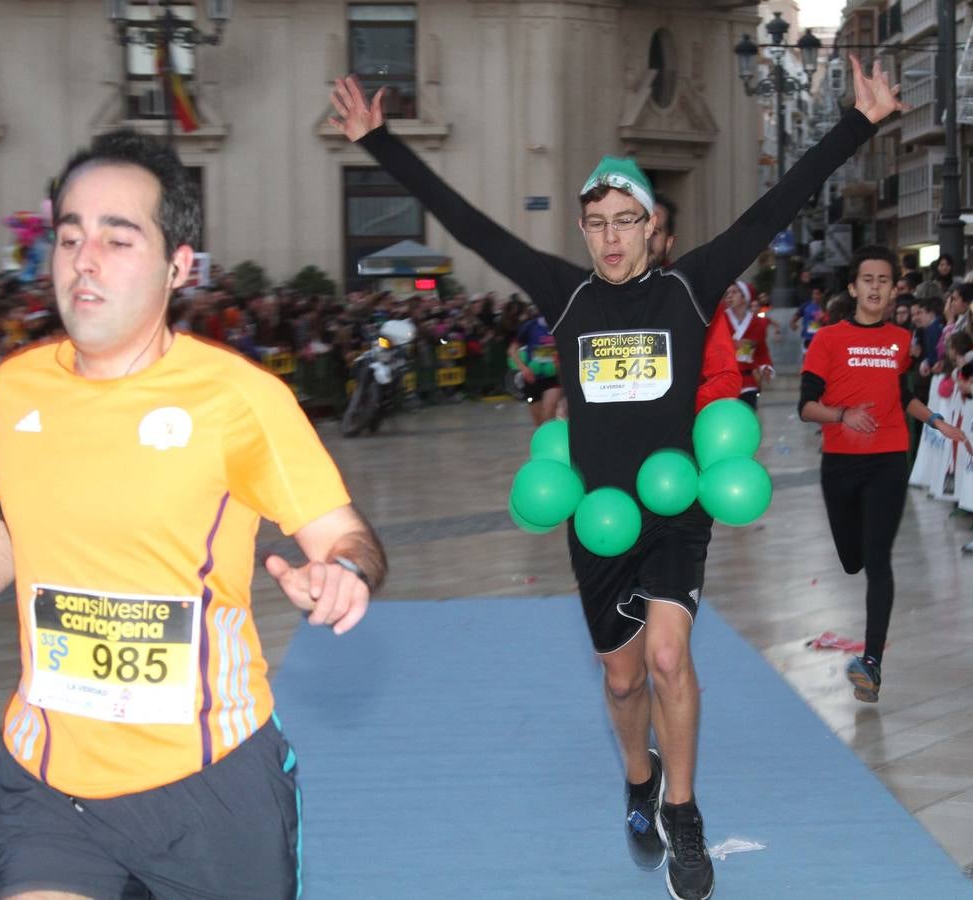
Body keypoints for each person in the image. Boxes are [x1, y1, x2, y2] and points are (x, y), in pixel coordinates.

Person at [330, 56, 907, 900]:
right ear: (584, 231)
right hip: (598, 516)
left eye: (624, 218)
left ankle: (683, 811)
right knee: (623, 676)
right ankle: (638, 779)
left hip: (675, 510)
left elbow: (773, 207)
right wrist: (379, 141)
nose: (608, 235)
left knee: (670, 660)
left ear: (650, 227)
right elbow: (470, 225)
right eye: (595, 220)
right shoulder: (564, 296)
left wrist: (858, 123)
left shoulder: (690, 287)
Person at [0, 129, 386, 898]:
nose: (85, 259)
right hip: (48, 779)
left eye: (117, 236)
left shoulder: (238, 398)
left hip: (208, 789)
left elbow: (345, 535)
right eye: (70, 236)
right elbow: (9, 530)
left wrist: (341, 573)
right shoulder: (12, 389)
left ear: (178, 266)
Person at [798, 246, 971, 703]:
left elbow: (903, 395)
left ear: (893, 288)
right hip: (839, 463)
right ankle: (869, 649)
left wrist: (937, 423)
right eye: (867, 279)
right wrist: (842, 416)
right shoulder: (827, 340)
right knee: (851, 559)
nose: (875, 287)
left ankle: (871, 663)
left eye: (884, 280)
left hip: (889, 458)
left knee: (878, 561)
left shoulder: (899, 340)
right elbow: (805, 407)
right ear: (854, 287)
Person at [648, 193, 741, 411]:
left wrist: (677, 407)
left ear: (669, 242)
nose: (644, 238)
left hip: (674, 437)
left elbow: (726, 378)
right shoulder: (594, 296)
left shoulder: (696, 298)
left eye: (654, 232)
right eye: (635, 226)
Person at [722, 279, 774, 409]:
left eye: (734, 292)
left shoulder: (758, 324)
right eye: (727, 293)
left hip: (748, 381)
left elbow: (762, 352)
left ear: (745, 298)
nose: (729, 296)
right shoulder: (720, 320)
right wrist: (733, 344)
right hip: (725, 380)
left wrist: (765, 367)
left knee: (748, 415)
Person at [508, 306, 563, 424]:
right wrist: (523, 369)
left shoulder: (561, 325)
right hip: (532, 379)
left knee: (549, 409)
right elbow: (512, 350)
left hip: (553, 378)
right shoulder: (529, 326)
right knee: (538, 421)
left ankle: (550, 438)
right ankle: (542, 438)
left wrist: (559, 363)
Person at [791, 283, 828, 353]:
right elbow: (796, 316)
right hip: (808, 338)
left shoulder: (826, 307)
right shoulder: (806, 305)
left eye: (818, 294)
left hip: (822, 339)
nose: (815, 296)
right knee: (806, 358)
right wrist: (793, 323)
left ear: (822, 295)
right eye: (814, 294)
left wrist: (822, 320)